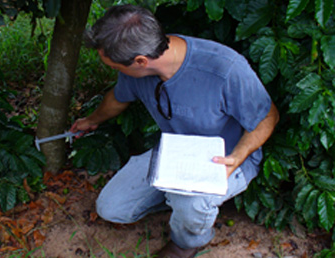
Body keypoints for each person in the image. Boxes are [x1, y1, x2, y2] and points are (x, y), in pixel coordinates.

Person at [70, 4, 279, 258]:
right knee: (112, 208)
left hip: (224, 158)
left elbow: (268, 116)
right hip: (173, 154)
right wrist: (91, 120)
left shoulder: (223, 68)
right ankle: (181, 204)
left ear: (140, 61)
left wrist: (237, 157)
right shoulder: (138, 68)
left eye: (115, 67)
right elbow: (118, 98)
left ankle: (186, 243)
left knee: (192, 201)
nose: (115, 72)